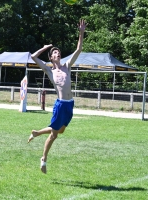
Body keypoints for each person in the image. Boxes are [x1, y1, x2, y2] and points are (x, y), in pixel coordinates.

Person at [29, 19, 87, 174]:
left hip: (70, 104)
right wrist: (44, 48)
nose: (58, 53)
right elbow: (33, 57)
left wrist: (81, 32)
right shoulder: (50, 71)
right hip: (61, 104)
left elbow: (79, 49)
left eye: (58, 52)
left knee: (60, 131)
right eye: (55, 52)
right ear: (51, 58)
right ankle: (43, 159)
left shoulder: (67, 66)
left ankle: (37, 133)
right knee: (54, 135)